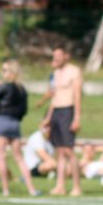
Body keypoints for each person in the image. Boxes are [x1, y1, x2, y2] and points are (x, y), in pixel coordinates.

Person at [0, 59, 39, 196]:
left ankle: (5, 190)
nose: (2, 73)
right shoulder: (22, 89)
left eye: (4, 70)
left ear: (11, 72)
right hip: (15, 123)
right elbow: (24, 110)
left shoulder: (5, 87)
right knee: (19, 158)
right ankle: (31, 189)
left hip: (2, 121)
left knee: (1, 156)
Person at [42, 47, 83, 196]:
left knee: (68, 150)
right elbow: (53, 97)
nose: (56, 58)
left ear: (66, 56)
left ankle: (76, 186)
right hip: (56, 112)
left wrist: (77, 117)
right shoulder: (55, 73)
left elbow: (77, 95)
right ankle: (60, 186)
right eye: (54, 56)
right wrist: (48, 117)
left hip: (68, 110)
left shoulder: (74, 71)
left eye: (59, 55)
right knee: (59, 151)